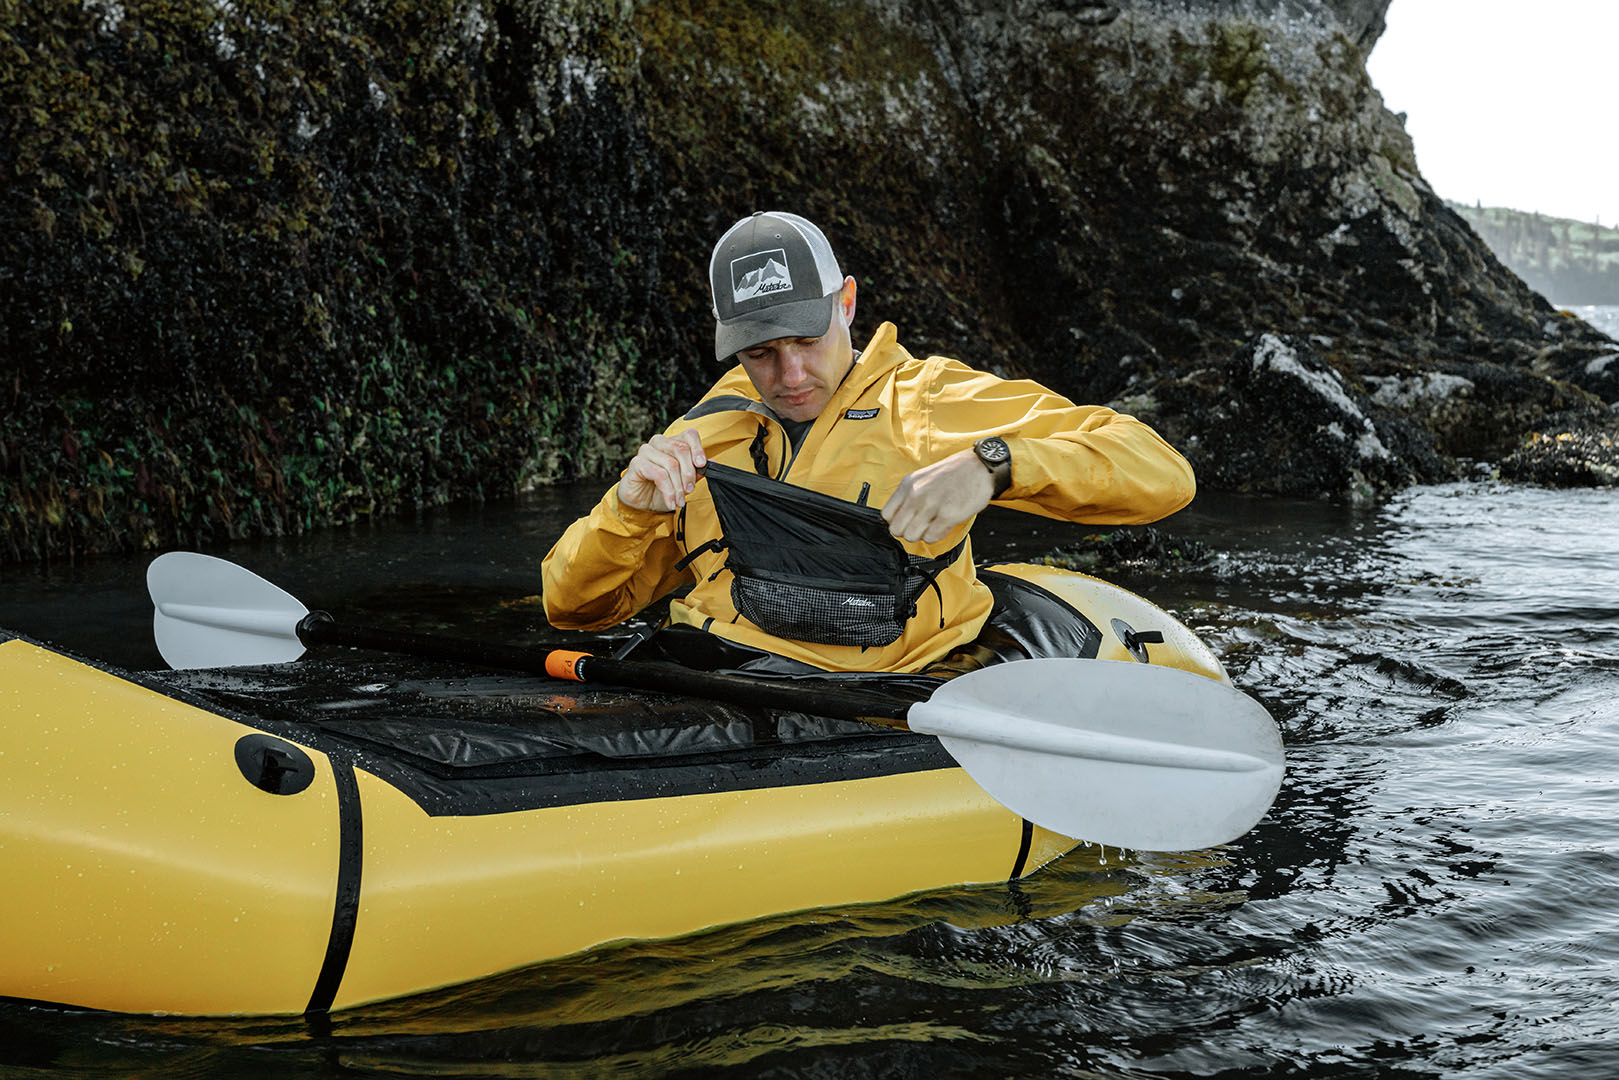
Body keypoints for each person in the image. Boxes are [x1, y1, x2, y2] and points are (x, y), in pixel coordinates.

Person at [541, 211, 1195, 674]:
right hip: (713, 677)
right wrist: (627, 512)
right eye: (761, 353)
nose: (790, 376)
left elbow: (1161, 471)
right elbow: (574, 608)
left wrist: (996, 463)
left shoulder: (928, 399)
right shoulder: (706, 428)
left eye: (806, 339)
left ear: (846, 303)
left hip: (875, 696)